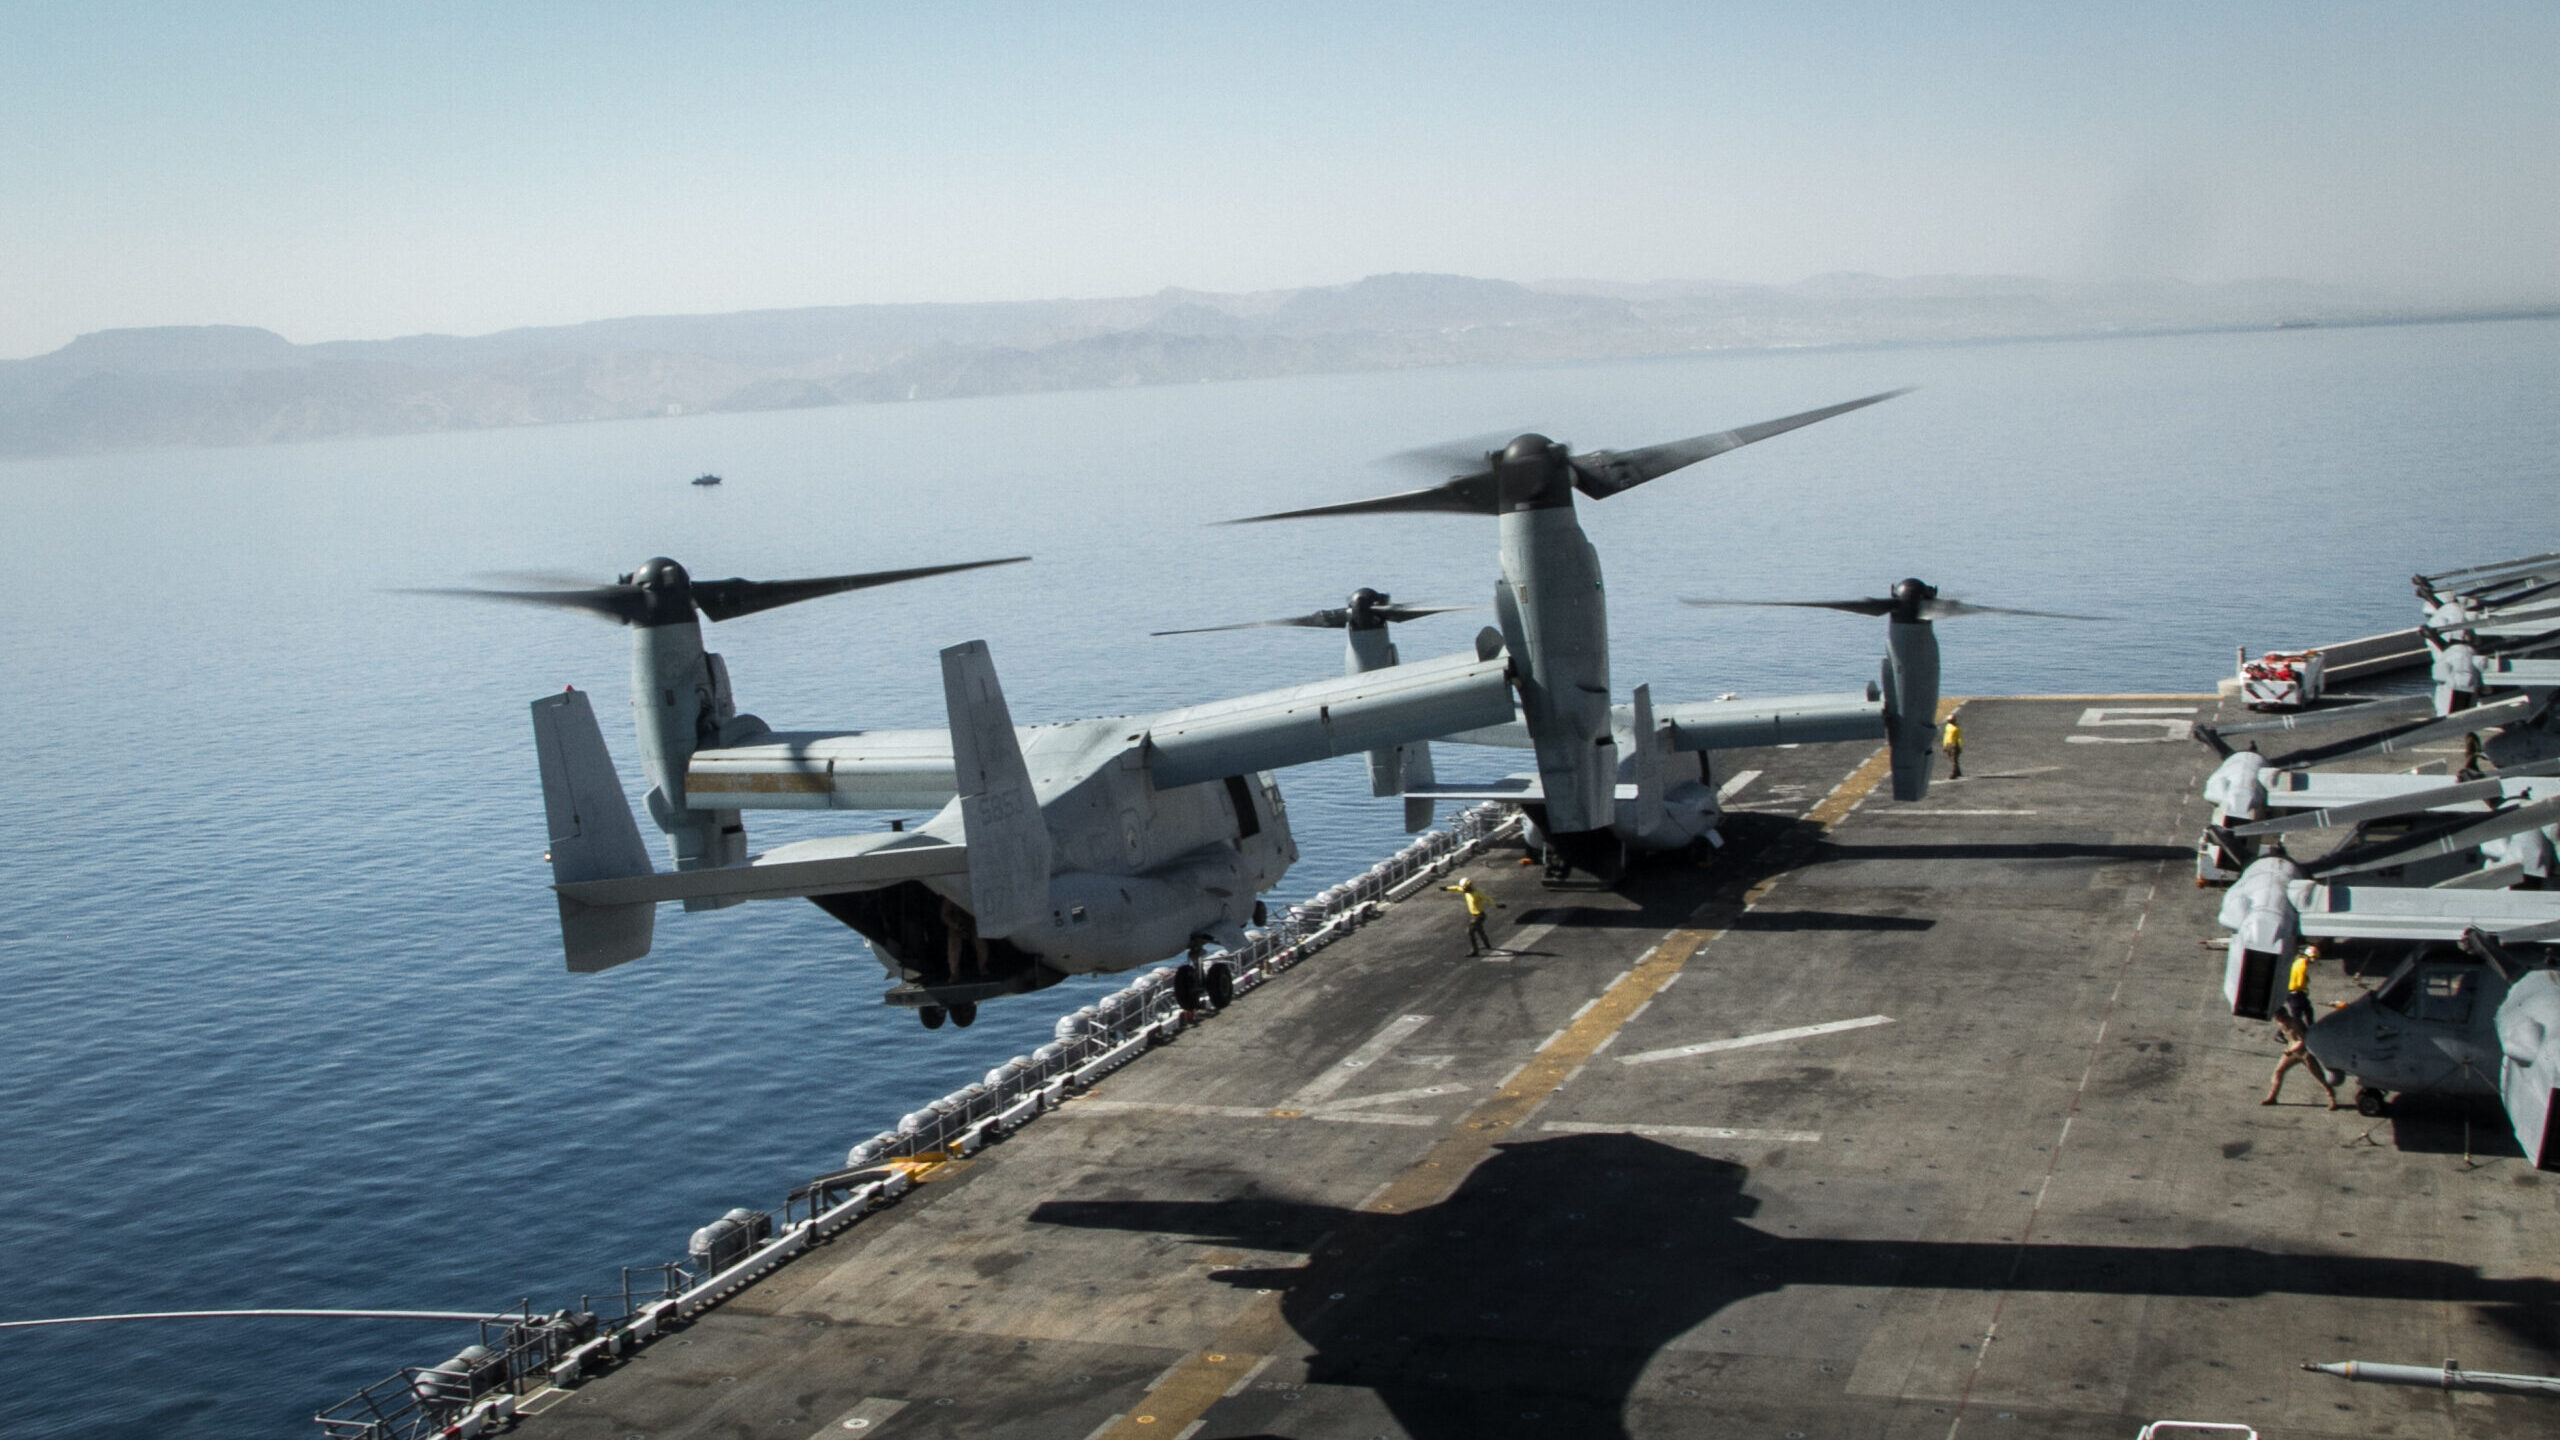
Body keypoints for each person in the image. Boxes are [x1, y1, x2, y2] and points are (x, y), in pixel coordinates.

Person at [2263, 1009, 2339, 1109]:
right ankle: (2272, 1097)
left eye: (2278, 1017)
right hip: (2291, 1051)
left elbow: (2302, 1041)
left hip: (2304, 1053)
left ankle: (2332, 1098)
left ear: (2283, 1016)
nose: (2277, 1020)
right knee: (2278, 1072)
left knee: (2318, 1075)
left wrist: (2290, 1051)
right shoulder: (2282, 1024)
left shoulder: (2295, 1023)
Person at [1443, 875, 1501, 956]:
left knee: (1470, 931)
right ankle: (1487, 944)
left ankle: (1475, 951)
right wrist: (1446, 888)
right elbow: (1456, 888)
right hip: (1474, 915)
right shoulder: (1465, 890)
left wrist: (1496, 905)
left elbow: (1487, 898)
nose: (1464, 890)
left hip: (1480, 915)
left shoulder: (1477, 893)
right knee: (1479, 930)